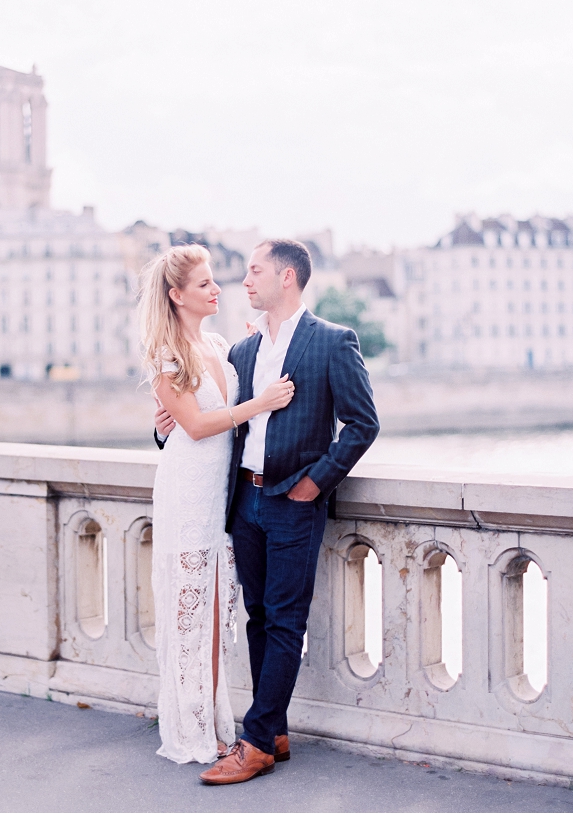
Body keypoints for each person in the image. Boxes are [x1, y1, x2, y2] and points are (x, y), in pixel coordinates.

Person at [193, 239, 380, 785]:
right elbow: (219, 418)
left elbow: (362, 424)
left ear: (288, 278)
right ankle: (271, 729)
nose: (244, 281)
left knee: (284, 621)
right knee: (259, 617)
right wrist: (163, 430)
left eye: (255, 272)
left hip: (294, 503)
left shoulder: (332, 342)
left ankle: (254, 744)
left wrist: (313, 484)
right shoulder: (244, 353)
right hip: (245, 501)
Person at [139, 244, 296, 765]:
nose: (217, 290)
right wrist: (259, 403)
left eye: (214, 281)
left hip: (220, 497)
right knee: (190, 614)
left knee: (215, 615)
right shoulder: (164, 355)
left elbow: (209, 413)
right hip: (187, 493)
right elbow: (198, 426)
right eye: (205, 284)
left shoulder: (221, 343)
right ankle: (192, 730)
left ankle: (209, 722)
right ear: (176, 295)